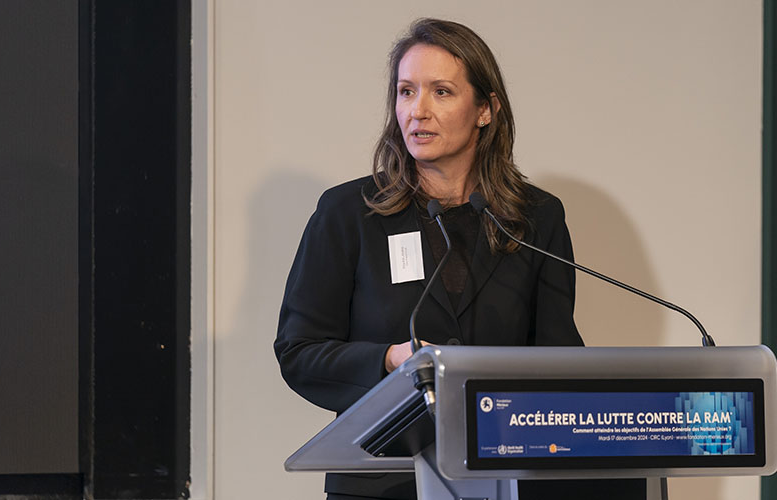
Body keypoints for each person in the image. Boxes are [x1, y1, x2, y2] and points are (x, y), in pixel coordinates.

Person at [274, 18, 644, 500]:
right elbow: (299, 351)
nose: (418, 110)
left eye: (441, 92)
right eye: (406, 92)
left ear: (485, 109)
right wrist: (389, 361)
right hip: (384, 482)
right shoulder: (349, 213)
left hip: (507, 477)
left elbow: (558, 358)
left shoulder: (535, 219)